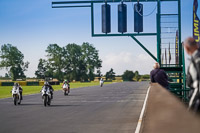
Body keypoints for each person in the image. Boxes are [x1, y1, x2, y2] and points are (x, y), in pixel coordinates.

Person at [183, 37, 200, 112]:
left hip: (197, 100)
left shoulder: (196, 58)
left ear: (186, 48)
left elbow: (198, 85)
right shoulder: (195, 57)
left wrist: (191, 106)